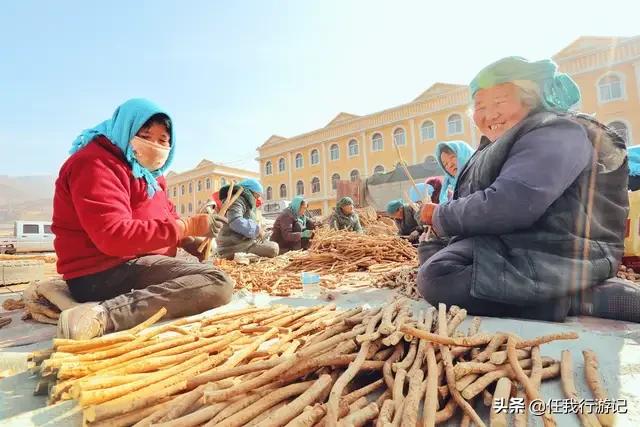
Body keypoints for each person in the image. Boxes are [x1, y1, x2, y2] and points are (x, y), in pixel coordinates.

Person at [417, 56, 635, 323]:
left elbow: (511, 204)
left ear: (530, 98)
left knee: (439, 277)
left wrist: (441, 216)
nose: (489, 114)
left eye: (499, 102)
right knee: (432, 256)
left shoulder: (556, 132)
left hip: (565, 249)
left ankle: (577, 299)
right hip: (520, 240)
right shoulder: (503, 142)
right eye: (480, 106)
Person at [52, 98, 234, 340]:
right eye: (145, 136)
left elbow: (166, 215)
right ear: (124, 129)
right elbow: (113, 236)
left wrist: (188, 241)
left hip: (134, 262)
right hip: (101, 272)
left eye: (162, 141)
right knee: (216, 282)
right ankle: (101, 315)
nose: (154, 146)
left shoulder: (149, 175)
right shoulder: (95, 163)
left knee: (205, 275)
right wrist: (187, 226)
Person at [215, 179, 279, 259]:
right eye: (256, 196)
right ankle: (230, 255)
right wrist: (257, 230)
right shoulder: (237, 200)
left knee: (271, 245)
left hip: (240, 243)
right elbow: (235, 221)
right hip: (234, 245)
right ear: (250, 192)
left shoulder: (242, 200)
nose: (257, 199)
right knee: (273, 248)